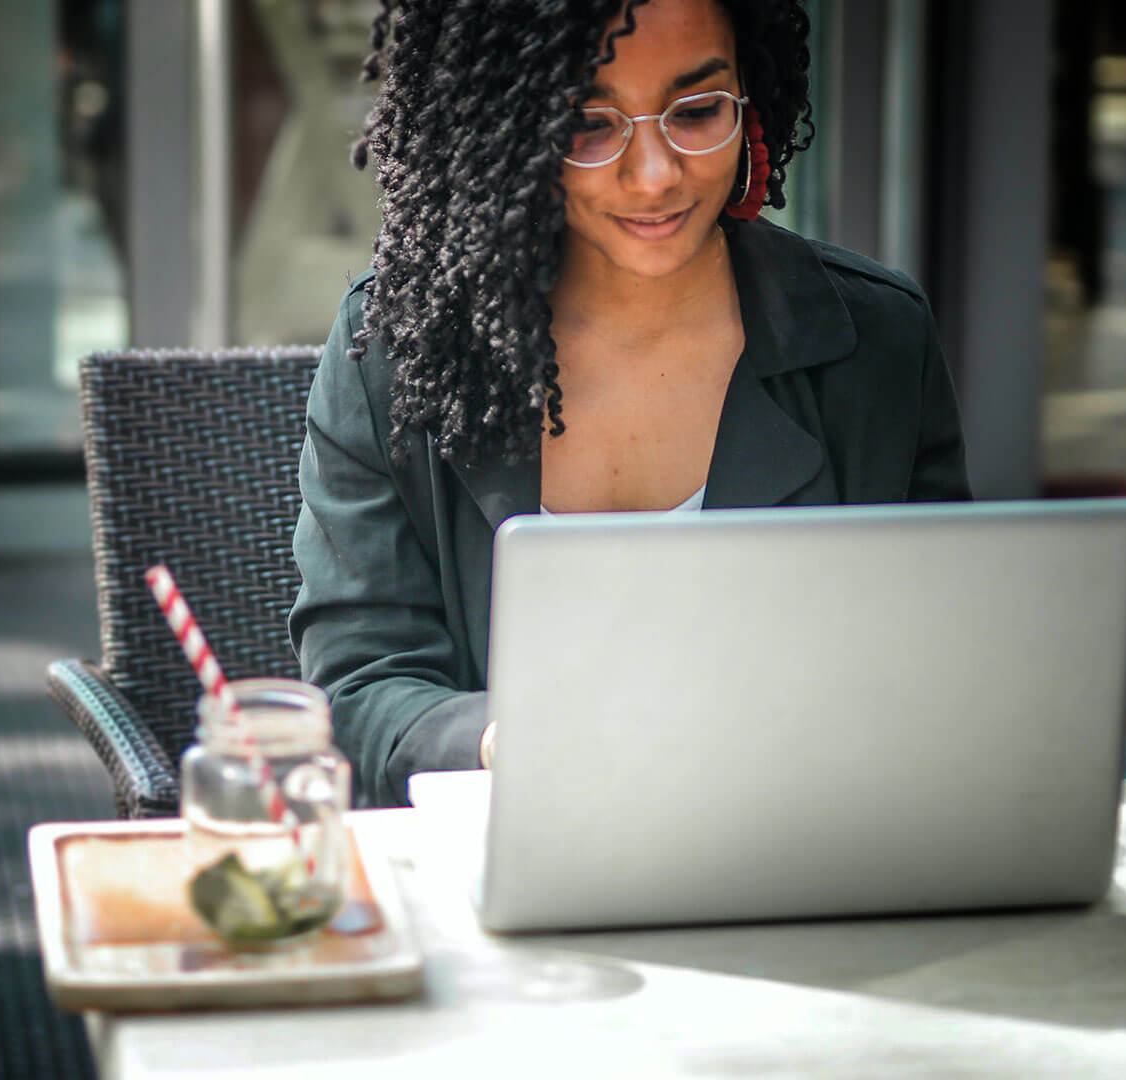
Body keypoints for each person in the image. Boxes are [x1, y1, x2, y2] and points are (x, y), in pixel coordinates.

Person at [289, 0, 973, 809]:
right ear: (511, 131)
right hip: (495, 865)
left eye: (695, 112)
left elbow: (943, 671)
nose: (654, 174)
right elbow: (362, 689)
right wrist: (501, 739)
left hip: (808, 853)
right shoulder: (399, 346)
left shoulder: (877, 341)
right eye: (588, 122)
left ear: (750, 100)